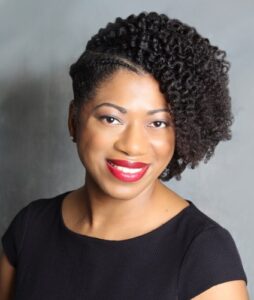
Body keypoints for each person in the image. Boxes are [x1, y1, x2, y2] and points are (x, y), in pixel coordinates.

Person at [0, 11, 249, 300]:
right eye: (111, 119)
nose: (132, 145)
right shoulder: (31, 228)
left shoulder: (205, 255)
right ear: (73, 120)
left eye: (157, 123)